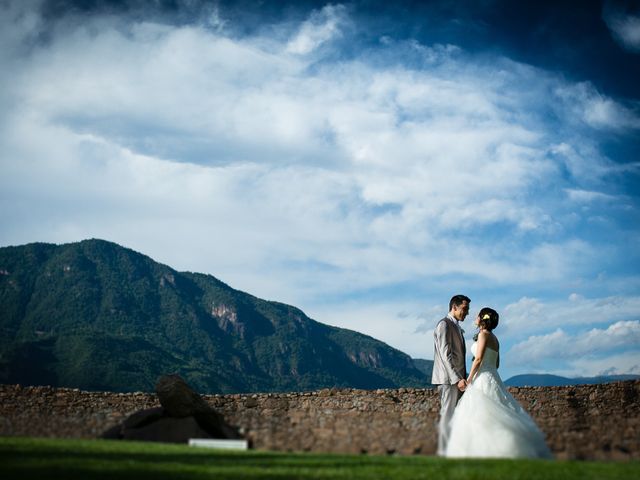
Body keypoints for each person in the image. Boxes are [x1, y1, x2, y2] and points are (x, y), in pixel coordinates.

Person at [445, 307, 552, 458]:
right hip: (493, 375)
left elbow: (478, 359)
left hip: (482, 377)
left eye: (477, 315)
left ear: (482, 319)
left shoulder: (483, 335)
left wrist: (469, 380)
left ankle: (482, 450)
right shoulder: (495, 339)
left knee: (480, 413)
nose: (475, 317)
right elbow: (497, 364)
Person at [431, 294, 470, 456]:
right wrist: (456, 379)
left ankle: (454, 449)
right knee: (447, 414)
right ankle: (444, 451)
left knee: (456, 415)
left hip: (458, 379)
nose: (466, 313)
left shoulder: (455, 326)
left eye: (467, 309)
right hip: (448, 380)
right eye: (464, 309)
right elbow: (445, 354)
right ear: (454, 307)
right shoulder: (444, 325)